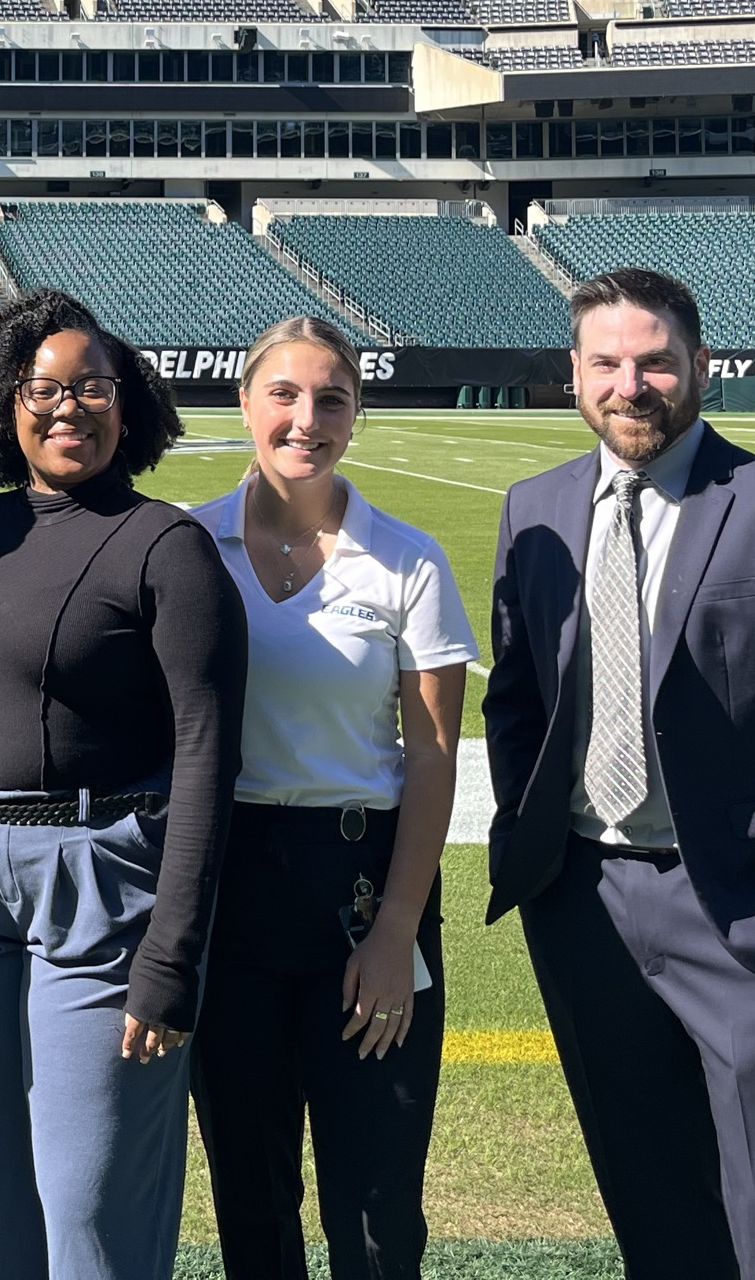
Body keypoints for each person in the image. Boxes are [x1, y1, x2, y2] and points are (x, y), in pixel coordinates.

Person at [483, 266, 755, 1280]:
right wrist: (535, 859)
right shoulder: (532, 512)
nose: (633, 384)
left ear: (698, 364)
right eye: (608, 364)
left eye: (656, 361)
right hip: (586, 907)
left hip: (749, 914)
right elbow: (517, 706)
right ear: (574, 376)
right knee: (654, 1216)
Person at [0, 287, 247, 1280]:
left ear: (131, 405)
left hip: (102, 886)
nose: (67, 406)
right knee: (11, 1188)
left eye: (93, 386)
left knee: (89, 1205)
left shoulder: (167, 545)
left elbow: (207, 747)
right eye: (43, 387)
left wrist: (173, 951)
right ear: (3, 401)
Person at [188, 316, 475, 1280]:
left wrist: (396, 931)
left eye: (332, 399)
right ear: (244, 403)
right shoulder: (185, 546)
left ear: (358, 415)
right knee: (248, 1185)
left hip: (363, 889)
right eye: (284, 394)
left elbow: (432, 757)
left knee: (378, 1197)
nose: (305, 418)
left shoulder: (409, 561)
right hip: (225, 888)